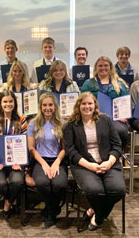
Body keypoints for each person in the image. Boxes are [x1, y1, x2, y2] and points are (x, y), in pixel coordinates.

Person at [64, 92, 125, 231]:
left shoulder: (105, 120)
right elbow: (70, 151)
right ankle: (100, 215)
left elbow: (117, 145)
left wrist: (109, 162)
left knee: (118, 190)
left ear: (95, 105)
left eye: (90, 103)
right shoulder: (71, 125)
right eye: (84, 103)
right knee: (95, 191)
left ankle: (95, 213)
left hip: (108, 162)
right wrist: (90, 166)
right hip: (84, 166)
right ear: (78, 106)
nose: (87, 106)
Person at [0, 90, 28, 219]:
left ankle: (8, 202)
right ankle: (12, 198)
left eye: (10, 101)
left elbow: (24, 144)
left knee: (17, 181)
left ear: (15, 103)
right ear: (0, 103)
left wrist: (18, 161)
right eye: (5, 101)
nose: (8, 104)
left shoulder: (22, 120)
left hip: (16, 161)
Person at [28, 92, 67, 228]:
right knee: (42, 183)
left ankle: (50, 209)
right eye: (44, 105)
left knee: (60, 184)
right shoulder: (33, 124)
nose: (47, 108)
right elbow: (32, 148)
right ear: (40, 106)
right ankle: (53, 211)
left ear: (55, 106)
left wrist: (56, 163)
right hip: (40, 160)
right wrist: (44, 164)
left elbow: (64, 148)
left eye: (50, 105)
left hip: (58, 160)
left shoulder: (62, 123)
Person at [81, 56, 129, 149]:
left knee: (121, 131)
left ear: (110, 67)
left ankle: (118, 154)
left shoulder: (119, 83)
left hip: (116, 118)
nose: (103, 68)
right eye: (100, 66)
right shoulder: (88, 83)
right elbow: (82, 101)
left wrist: (123, 115)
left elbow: (125, 102)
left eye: (106, 65)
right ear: (96, 68)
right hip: (94, 116)